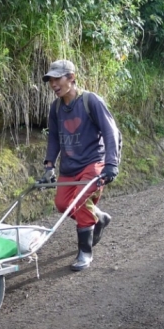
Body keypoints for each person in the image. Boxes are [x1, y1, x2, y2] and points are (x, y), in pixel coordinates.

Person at [40, 59, 122, 271]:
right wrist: (49, 166)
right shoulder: (56, 108)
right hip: (69, 166)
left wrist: (111, 164)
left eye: (57, 79)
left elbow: (110, 132)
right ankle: (99, 217)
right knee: (62, 204)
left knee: (81, 200)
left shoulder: (90, 101)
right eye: (51, 81)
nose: (53, 84)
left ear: (72, 78)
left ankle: (85, 252)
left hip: (93, 162)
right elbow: (54, 138)